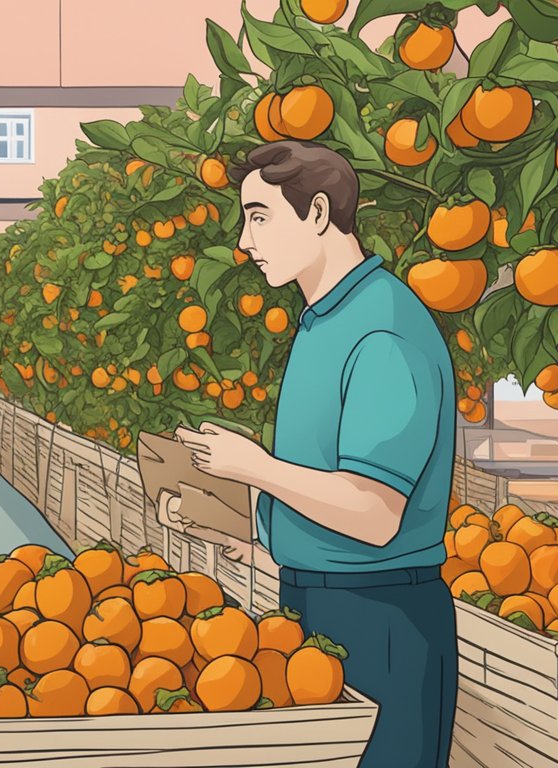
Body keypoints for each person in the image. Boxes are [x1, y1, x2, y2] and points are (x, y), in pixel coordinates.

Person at [173, 140, 457, 768]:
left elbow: (375, 514)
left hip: (383, 619)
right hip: (314, 602)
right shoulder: (324, 321)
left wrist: (252, 468)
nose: (244, 241)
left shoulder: (381, 329)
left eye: (259, 216)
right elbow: (328, 483)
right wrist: (255, 538)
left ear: (320, 212)